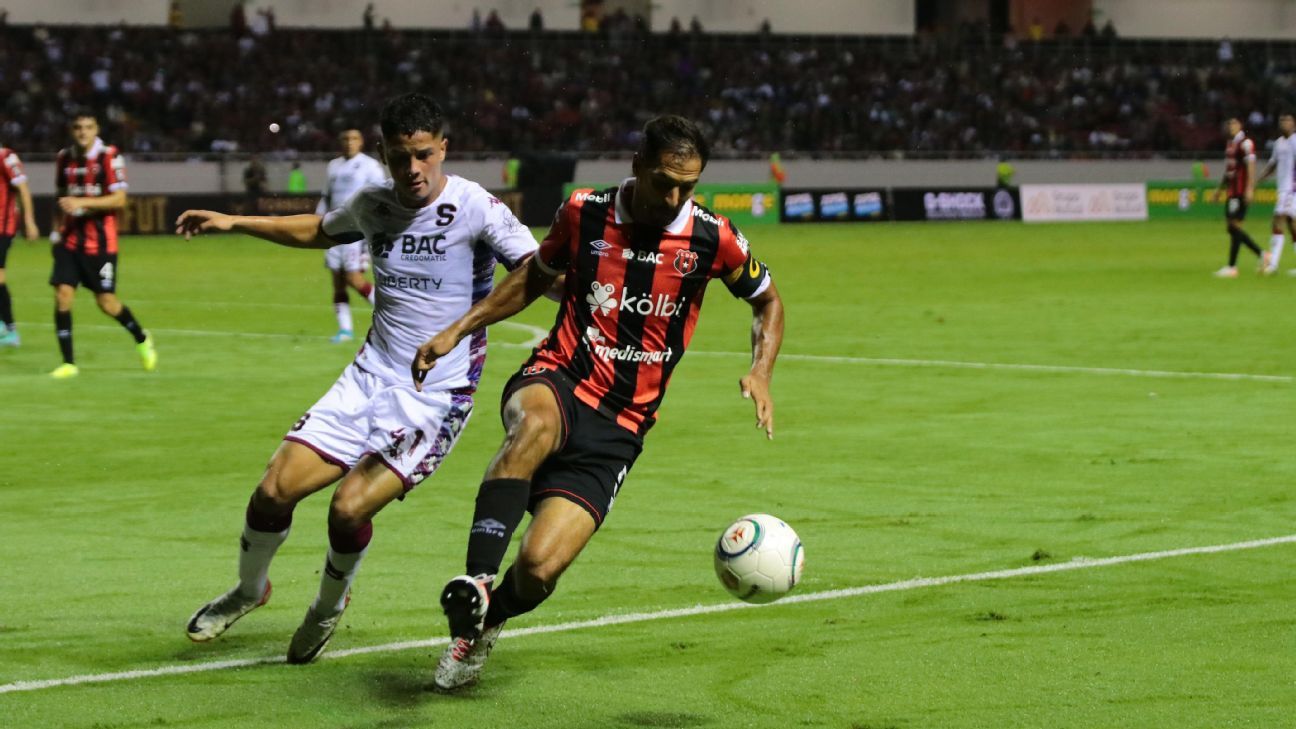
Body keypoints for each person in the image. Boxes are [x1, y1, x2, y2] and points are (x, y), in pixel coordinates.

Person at [413, 115, 784, 691]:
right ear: (636, 164)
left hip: (623, 424)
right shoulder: (584, 211)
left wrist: (761, 371)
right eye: (665, 181)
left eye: (689, 185)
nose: (676, 196)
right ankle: (479, 581)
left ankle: (487, 621)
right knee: (532, 425)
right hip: (560, 374)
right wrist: (460, 328)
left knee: (538, 569)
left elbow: (767, 300)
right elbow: (534, 276)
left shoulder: (714, 237)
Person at [176, 93, 541, 664]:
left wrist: (590, 300)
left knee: (347, 509)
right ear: (384, 154)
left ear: (443, 148)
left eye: (423, 155)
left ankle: (327, 605)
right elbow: (319, 230)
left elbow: (536, 271)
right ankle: (251, 590)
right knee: (273, 492)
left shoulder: (476, 207)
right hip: (367, 377)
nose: (413, 169)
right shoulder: (373, 204)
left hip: (434, 396)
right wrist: (234, 220)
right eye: (401, 157)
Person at [49, 110, 156, 378]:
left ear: (96, 129)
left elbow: (119, 199)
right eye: (77, 127)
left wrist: (82, 203)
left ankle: (141, 338)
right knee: (63, 295)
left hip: (101, 245)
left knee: (107, 303)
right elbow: (61, 197)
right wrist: (55, 231)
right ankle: (68, 363)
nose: (82, 132)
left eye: (87, 127)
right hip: (71, 241)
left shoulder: (109, 157)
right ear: (71, 130)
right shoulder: (64, 159)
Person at [318, 127, 387, 342]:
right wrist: (318, 222)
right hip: (333, 230)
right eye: (346, 138)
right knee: (337, 282)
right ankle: (345, 330)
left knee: (353, 278)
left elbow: (381, 196)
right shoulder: (334, 165)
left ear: (361, 142)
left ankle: (392, 316)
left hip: (356, 231)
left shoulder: (370, 166)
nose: (349, 142)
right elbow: (326, 197)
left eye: (354, 138)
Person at [1211, 117, 1262, 278]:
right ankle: (1262, 255)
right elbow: (1229, 170)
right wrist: (1219, 190)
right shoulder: (1230, 144)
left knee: (1234, 226)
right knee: (1232, 227)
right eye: (1229, 124)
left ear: (1240, 125)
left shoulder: (1246, 143)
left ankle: (1233, 267)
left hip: (1240, 192)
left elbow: (1251, 165)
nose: (1231, 126)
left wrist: (1249, 188)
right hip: (1232, 191)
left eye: (1234, 123)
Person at [0, 143, 41, 346]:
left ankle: (10, 330)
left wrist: (29, 220)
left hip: (2, 227)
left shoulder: (6, 157)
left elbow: (23, 188)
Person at [1255, 113, 1296, 275]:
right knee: (1292, 225)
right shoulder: (1279, 143)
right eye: (1282, 121)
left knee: (1278, 220)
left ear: (1293, 124)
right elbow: (1273, 164)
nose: (1284, 124)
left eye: (1288, 121)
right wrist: (1258, 180)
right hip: (1283, 189)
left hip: (1291, 189)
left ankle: (1272, 265)